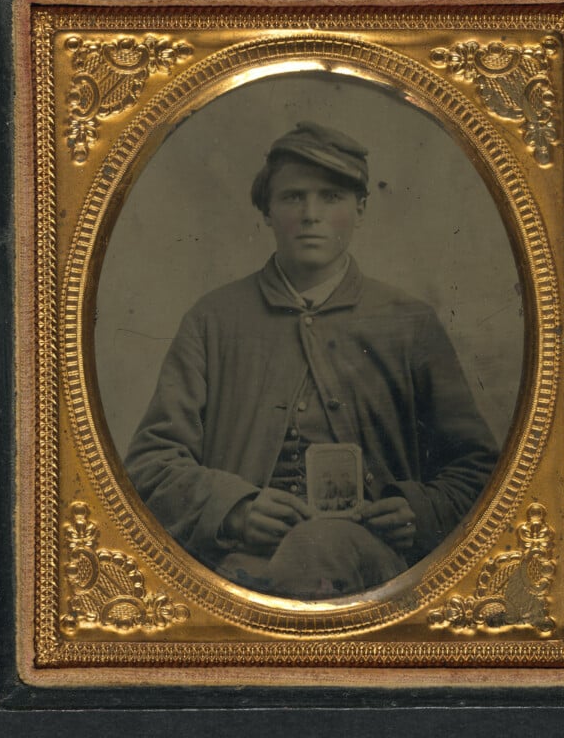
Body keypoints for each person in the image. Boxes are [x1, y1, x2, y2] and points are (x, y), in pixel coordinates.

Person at [125, 121, 499, 599]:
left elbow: (478, 470)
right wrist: (235, 510)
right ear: (267, 211)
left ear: (360, 209)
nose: (311, 215)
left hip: (372, 567)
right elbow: (151, 464)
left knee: (321, 546)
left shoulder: (410, 323)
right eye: (293, 197)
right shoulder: (214, 319)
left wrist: (418, 511)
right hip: (236, 565)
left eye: (332, 197)